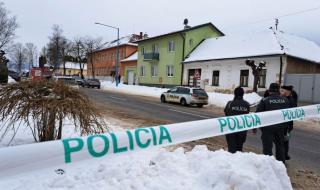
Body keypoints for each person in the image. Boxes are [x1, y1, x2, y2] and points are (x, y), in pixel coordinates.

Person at [256, 83, 290, 163]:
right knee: (280, 146)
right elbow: (289, 114)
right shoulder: (285, 100)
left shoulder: (265, 100)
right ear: (278, 90)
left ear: (269, 91)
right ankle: (281, 165)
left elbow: (258, 114)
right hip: (281, 127)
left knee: (267, 148)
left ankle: (269, 165)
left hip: (268, 128)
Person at [224, 87, 250, 153]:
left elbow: (226, 113)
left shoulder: (230, 103)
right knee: (239, 149)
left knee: (231, 150)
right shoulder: (246, 104)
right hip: (242, 130)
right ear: (243, 94)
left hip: (231, 130)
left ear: (234, 93)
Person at [280, 85, 298, 160]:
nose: (281, 92)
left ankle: (283, 157)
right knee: (285, 141)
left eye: (282, 91)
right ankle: (285, 155)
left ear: (287, 92)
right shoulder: (288, 99)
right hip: (286, 125)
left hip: (286, 126)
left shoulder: (290, 101)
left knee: (283, 142)